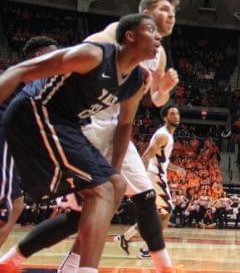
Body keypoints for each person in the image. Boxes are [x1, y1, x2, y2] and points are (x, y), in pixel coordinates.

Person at [0, 14, 157, 272]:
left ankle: (73, 268)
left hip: (65, 123)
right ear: (129, 36)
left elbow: (125, 124)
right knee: (100, 191)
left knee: (115, 185)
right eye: (151, 30)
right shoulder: (93, 55)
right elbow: (19, 71)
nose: (159, 38)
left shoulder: (136, 81)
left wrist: (114, 169)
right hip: (35, 110)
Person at [0, 36, 58, 248]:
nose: (60, 58)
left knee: (16, 204)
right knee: (4, 208)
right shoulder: (32, 74)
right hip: (4, 135)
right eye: (55, 53)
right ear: (40, 56)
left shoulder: (23, 75)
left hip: (13, 140)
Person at [117, 104, 185, 256]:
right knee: (167, 213)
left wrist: (177, 169)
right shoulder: (163, 135)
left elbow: (161, 160)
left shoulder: (168, 134)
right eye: (172, 114)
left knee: (155, 215)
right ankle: (148, 249)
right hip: (155, 177)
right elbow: (146, 156)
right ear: (165, 118)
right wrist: (143, 181)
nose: (176, 116)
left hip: (157, 175)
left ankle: (126, 237)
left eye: (177, 113)